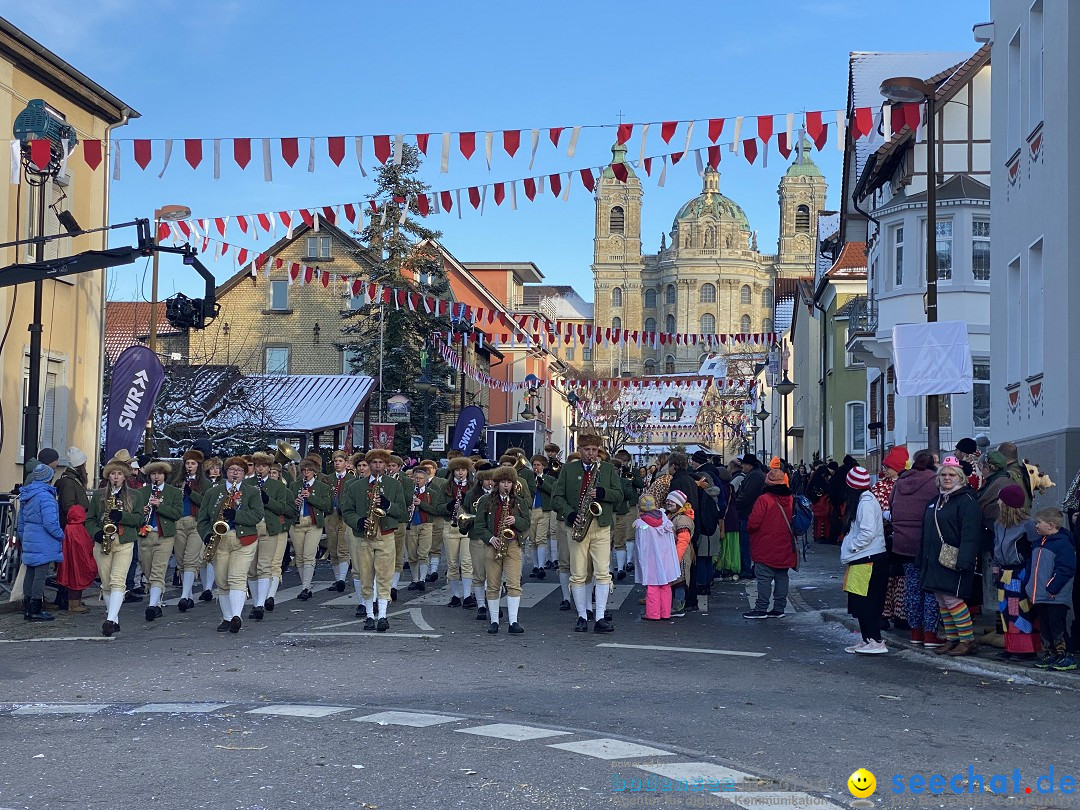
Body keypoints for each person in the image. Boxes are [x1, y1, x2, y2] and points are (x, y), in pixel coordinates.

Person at [551, 433, 624, 633]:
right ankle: (582, 615)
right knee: (578, 574)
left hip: (600, 526)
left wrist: (602, 493)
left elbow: (620, 495)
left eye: (594, 450)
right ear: (580, 450)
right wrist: (570, 513)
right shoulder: (568, 469)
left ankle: (599, 616)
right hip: (576, 526)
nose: (591, 453)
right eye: (587, 450)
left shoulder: (607, 470)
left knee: (602, 573)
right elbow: (557, 498)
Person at [920, 456, 984, 656]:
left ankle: (967, 640)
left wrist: (965, 561)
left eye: (952, 475)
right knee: (941, 599)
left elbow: (970, 534)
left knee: (953, 600)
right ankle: (953, 638)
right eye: (944, 475)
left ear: (961, 478)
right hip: (935, 559)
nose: (947, 478)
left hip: (954, 560)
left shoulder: (967, 501)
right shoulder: (937, 500)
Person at [341, 449, 407, 631]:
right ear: (369, 465)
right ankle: (370, 615)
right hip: (364, 537)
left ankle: (383, 616)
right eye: (374, 463)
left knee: (385, 576)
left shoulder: (394, 486)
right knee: (366, 576)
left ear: (386, 465)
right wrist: (359, 521)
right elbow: (347, 512)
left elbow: (402, 511)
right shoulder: (356, 487)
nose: (377, 466)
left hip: (385, 535)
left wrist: (388, 505)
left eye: (381, 463)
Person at [198, 457, 264, 633]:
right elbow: (202, 519)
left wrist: (237, 515)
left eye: (239, 470)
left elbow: (258, 514)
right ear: (226, 472)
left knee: (237, 577)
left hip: (243, 539)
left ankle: (236, 616)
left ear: (244, 474)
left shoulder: (251, 492)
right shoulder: (213, 492)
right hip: (220, 539)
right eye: (232, 469)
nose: (235, 473)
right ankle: (227, 617)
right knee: (221, 580)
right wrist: (206, 535)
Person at [86, 453, 142, 636]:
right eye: (112, 474)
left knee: (118, 580)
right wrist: (97, 533)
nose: (116, 477)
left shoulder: (135, 495)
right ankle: (114, 619)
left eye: (119, 474)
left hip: (124, 542)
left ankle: (109, 620)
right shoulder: (98, 495)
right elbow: (90, 520)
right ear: (108, 476)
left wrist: (122, 516)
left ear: (125, 476)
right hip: (103, 541)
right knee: (106, 582)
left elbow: (139, 519)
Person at [839, 466, 889, 653]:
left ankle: (875, 640)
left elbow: (867, 532)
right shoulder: (865, 500)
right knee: (860, 601)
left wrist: (853, 546)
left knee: (865, 602)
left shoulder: (865, 502)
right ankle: (868, 639)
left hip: (867, 558)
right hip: (864, 557)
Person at [478, 466, 530, 634]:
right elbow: (479, 525)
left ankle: (513, 621)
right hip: (493, 545)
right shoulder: (486, 501)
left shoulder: (519, 502)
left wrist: (515, 520)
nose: (506, 486)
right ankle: (494, 621)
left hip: (513, 545)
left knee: (514, 584)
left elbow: (526, 524)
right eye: (503, 482)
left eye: (509, 482)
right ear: (497, 483)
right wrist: (490, 538)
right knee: (493, 585)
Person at [991, 484, 1040, 660]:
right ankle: (1011, 646)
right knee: (1006, 611)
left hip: (1020, 572)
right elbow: (997, 546)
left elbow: (1034, 551)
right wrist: (995, 565)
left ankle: (1026, 649)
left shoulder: (1028, 525)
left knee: (1021, 610)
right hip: (1004, 572)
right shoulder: (999, 524)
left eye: (1000, 500)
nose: (998, 503)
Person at [742, 468, 797, 620]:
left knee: (764, 577)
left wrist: (748, 529)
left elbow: (753, 523)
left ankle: (761, 608)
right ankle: (779, 608)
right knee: (782, 576)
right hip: (785, 544)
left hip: (765, 544)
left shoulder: (764, 499)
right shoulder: (791, 498)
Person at [248, 451, 296, 620]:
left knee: (265, 566)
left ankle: (260, 603)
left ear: (269, 468)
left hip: (270, 527)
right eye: (257, 466)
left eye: (263, 466)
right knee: (251, 569)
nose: (260, 469)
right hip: (251, 528)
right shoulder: (247, 483)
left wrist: (268, 500)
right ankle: (256, 602)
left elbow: (283, 508)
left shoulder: (279, 486)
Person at [1027, 508, 1076, 670]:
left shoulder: (1063, 544)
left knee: (1057, 626)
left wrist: (1051, 588)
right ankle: (1050, 652)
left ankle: (1065, 655)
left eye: (1039, 523)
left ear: (1050, 525)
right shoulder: (1038, 542)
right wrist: (1029, 585)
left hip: (1054, 596)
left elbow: (1066, 569)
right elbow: (1031, 567)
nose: (1036, 526)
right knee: (1045, 625)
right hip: (1040, 595)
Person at [134, 461, 183, 621]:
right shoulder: (141, 492)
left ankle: (153, 605)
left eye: (160, 473)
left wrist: (160, 505)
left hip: (164, 536)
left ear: (165, 476)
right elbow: (135, 515)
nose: (157, 476)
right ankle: (157, 598)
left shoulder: (173, 492)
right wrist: (142, 511)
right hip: (145, 535)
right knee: (147, 570)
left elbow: (177, 514)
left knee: (158, 570)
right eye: (154, 474)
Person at [18, 463, 64, 622]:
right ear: (49, 478)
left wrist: (24, 537)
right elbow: (50, 522)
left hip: (31, 536)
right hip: (43, 540)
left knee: (30, 571)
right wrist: (61, 535)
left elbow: (21, 520)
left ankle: (28, 607)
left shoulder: (28, 493)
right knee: (40, 574)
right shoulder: (46, 496)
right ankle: (36, 608)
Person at [50, 447, 90, 612]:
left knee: (71, 565)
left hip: (74, 527)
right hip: (71, 529)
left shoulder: (72, 480)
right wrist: (80, 515)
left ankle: (67, 599)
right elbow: (68, 506)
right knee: (72, 565)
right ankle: (68, 600)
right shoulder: (69, 482)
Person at [872, 446, 908, 631]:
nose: (885, 469)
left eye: (888, 466)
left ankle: (901, 614)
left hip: (903, 537)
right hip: (885, 537)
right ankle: (884, 614)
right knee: (886, 577)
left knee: (901, 577)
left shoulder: (905, 484)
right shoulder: (879, 486)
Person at [287, 459, 331, 600]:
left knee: (308, 555)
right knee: (299, 556)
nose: (306, 473)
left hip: (313, 524)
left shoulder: (322, 487)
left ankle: (306, 587)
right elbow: (287, 506)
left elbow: (326, 506)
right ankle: (304, 584)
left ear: (315, 472)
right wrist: (295, 502)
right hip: (297, 523)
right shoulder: (294, 486)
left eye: (309, 471)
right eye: (304, 470)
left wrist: (310, 497)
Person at [633, 494, 681, 620]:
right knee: (665, 584)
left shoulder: (641, 523)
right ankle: (665, 613)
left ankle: (653, 614)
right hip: (666, 557)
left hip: (650, 558)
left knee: (652, 584)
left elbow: (640, 545)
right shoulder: (664, 519)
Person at [171, 449, 207, 612]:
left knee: (191, 559)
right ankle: (189, 595)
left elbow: (205, 503)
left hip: (195, 522)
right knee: (180, 561)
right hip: (179, 522)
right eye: (187, 463)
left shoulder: (205, 483)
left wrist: (191, 493)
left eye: (193, 463)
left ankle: (184, 596)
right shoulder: (177, 481)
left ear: (198, 466)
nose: (189, 466)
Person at [437, 457, 472, 604]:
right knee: (452, 563)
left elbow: (478, 506)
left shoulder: (472, 485)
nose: (460, 473)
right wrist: (449, 506)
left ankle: (468, 595)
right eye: (458, 470)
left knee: (467, 562)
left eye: (463, 470)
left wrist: (467, 502)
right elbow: (437, 507)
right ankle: (456, 595)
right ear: (453, 472)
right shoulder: (446, 486)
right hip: (450, 526)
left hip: (468, 527)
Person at [465, 465, 496, 620]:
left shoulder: (499, 495)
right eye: (486, 480)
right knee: (478, 574)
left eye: (492, 479)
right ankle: (481, 605)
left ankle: (493, 604)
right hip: (477, 537)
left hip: (495, 538)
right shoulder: (471, 494)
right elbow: (464, 513)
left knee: (494, 575)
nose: (489, 483)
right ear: (480, 481)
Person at [322, 451, 355, 593]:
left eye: (340, 461)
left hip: (345, 515)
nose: (337, 463)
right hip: (331, 514)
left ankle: (342, 577)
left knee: (343, 546)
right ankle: (337, 579)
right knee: (332, 546)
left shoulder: (351, 479)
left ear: (346, 463)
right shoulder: (328, 479)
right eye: (335, 461)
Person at [56, 504, 95, 615]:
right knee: (77, 578)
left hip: (70, 559)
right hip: (78, 560)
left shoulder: (69, 527)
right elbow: (84, 545)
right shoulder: (78, 528)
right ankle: (74, 604)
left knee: (73, 578)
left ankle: (75, 602)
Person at [664, 489, 695, 618]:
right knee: (675, 580)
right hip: (673, 554)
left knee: (679, 582)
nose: (669, 502)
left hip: (680, 556)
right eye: (668, 500)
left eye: (673, 501)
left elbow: (683, 540)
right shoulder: (672, 516)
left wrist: (675, 558)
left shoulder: (682, 519)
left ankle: (678, 606)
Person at [734, 454, 766, 580]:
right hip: (749, 512)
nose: (742, 467)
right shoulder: (756, 474)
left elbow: (746, 496)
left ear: (749, 465)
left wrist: (735, 504)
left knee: (746, 543)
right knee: (748, 543)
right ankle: (748, 568)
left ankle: (746, 569)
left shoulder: (754, 476)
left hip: (748, 513)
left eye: (743, 464)